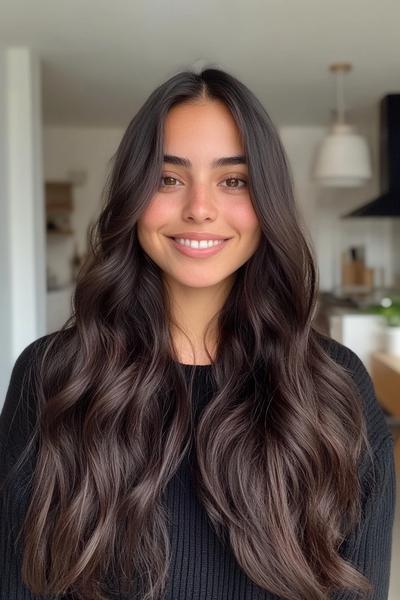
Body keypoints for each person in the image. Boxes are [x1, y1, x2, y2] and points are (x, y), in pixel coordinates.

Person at [0, 67, 396, 600]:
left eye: (233, 180)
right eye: (169, 178)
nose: (200, 208)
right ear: (132, 197)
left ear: (267, 204)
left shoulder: (334, 385)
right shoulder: (53, 375)